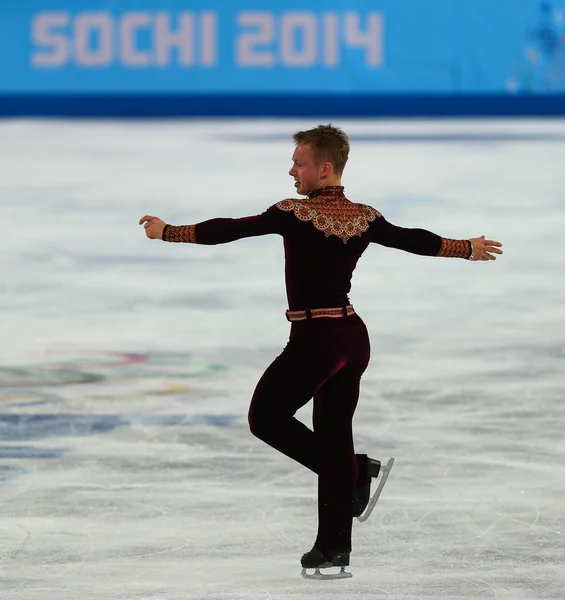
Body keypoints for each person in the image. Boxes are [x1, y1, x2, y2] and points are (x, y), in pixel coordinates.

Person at [139, 124, 503, 577]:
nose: (292, 171)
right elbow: (414, 239)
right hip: (351, 338)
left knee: (265, 418)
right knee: (332, 434)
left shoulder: (293, 213)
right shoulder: (364, 216)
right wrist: (465, 248)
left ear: (324, 169)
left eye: (299, 163)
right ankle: (333, 546)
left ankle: (352, 471)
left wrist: (168, 232)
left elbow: (229, 230)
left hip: (317, 341)